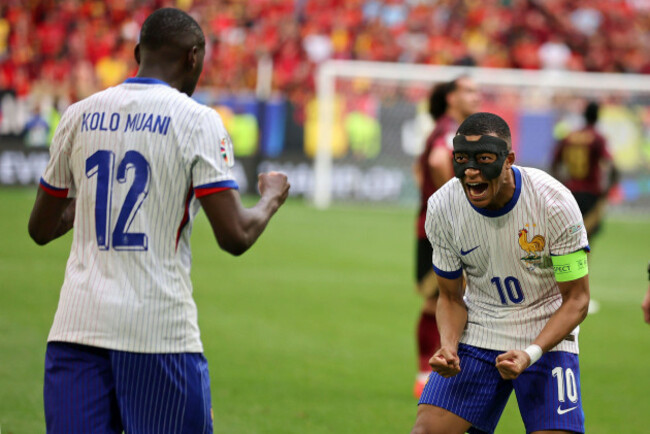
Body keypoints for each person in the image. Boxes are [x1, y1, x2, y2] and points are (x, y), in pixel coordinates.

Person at [27, 8, 290, 433]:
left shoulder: (78, 114)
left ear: (137, 53)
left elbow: (40, 229)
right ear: (193, 58)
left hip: (74, 332)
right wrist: (271, 199)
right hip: (156, 334)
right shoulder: (196, 120)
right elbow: (235, 235)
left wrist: (93, 201)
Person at [412, 112, 590, 434]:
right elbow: (450, 296)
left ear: (509, 160)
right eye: (462, 159)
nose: (471, 171)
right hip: (479, 332)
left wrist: (530, 353)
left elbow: (577, 299)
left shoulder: (554, 203)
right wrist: (449, 345)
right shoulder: (443, 207)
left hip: (546, 337)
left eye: (484, 160)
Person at [412, 76, 480, 398]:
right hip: (441, 230)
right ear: (452, 98)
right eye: (469, 90)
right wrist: (456, 200)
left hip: (433, 226)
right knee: (440, 300)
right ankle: (426, 372)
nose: (476, 96)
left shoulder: (445, 128)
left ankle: (432, 371)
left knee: (446, 299)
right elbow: (439, 161)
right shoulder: (449, 131)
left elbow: (419, 168)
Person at [551, 101, 619, 241]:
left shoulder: (569, 136)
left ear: (584, 115)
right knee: (586, 237)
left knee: (570, 236)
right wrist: (607, 189)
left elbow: (554, 163)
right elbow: (612, 166)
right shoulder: (598, 138)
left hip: (570, 192)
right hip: (591, 193)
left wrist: (562, 184)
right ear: (597, 117)